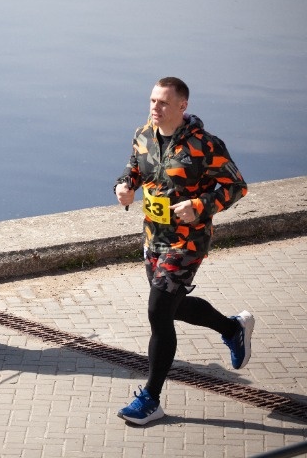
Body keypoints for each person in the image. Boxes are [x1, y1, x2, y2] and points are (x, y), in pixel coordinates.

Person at [113, 77, 253, 425]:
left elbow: (237, 186)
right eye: (152, 101)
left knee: (158, 312)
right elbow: (134, 169)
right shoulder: (144, 135)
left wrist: (201, 204)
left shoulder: (205, 145)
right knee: (171, 308)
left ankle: (151, 399)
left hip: (187, 241)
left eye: (162, 103)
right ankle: (232, 328)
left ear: (182, 106)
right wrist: (123, 186)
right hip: (153, 237)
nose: (154, 108)